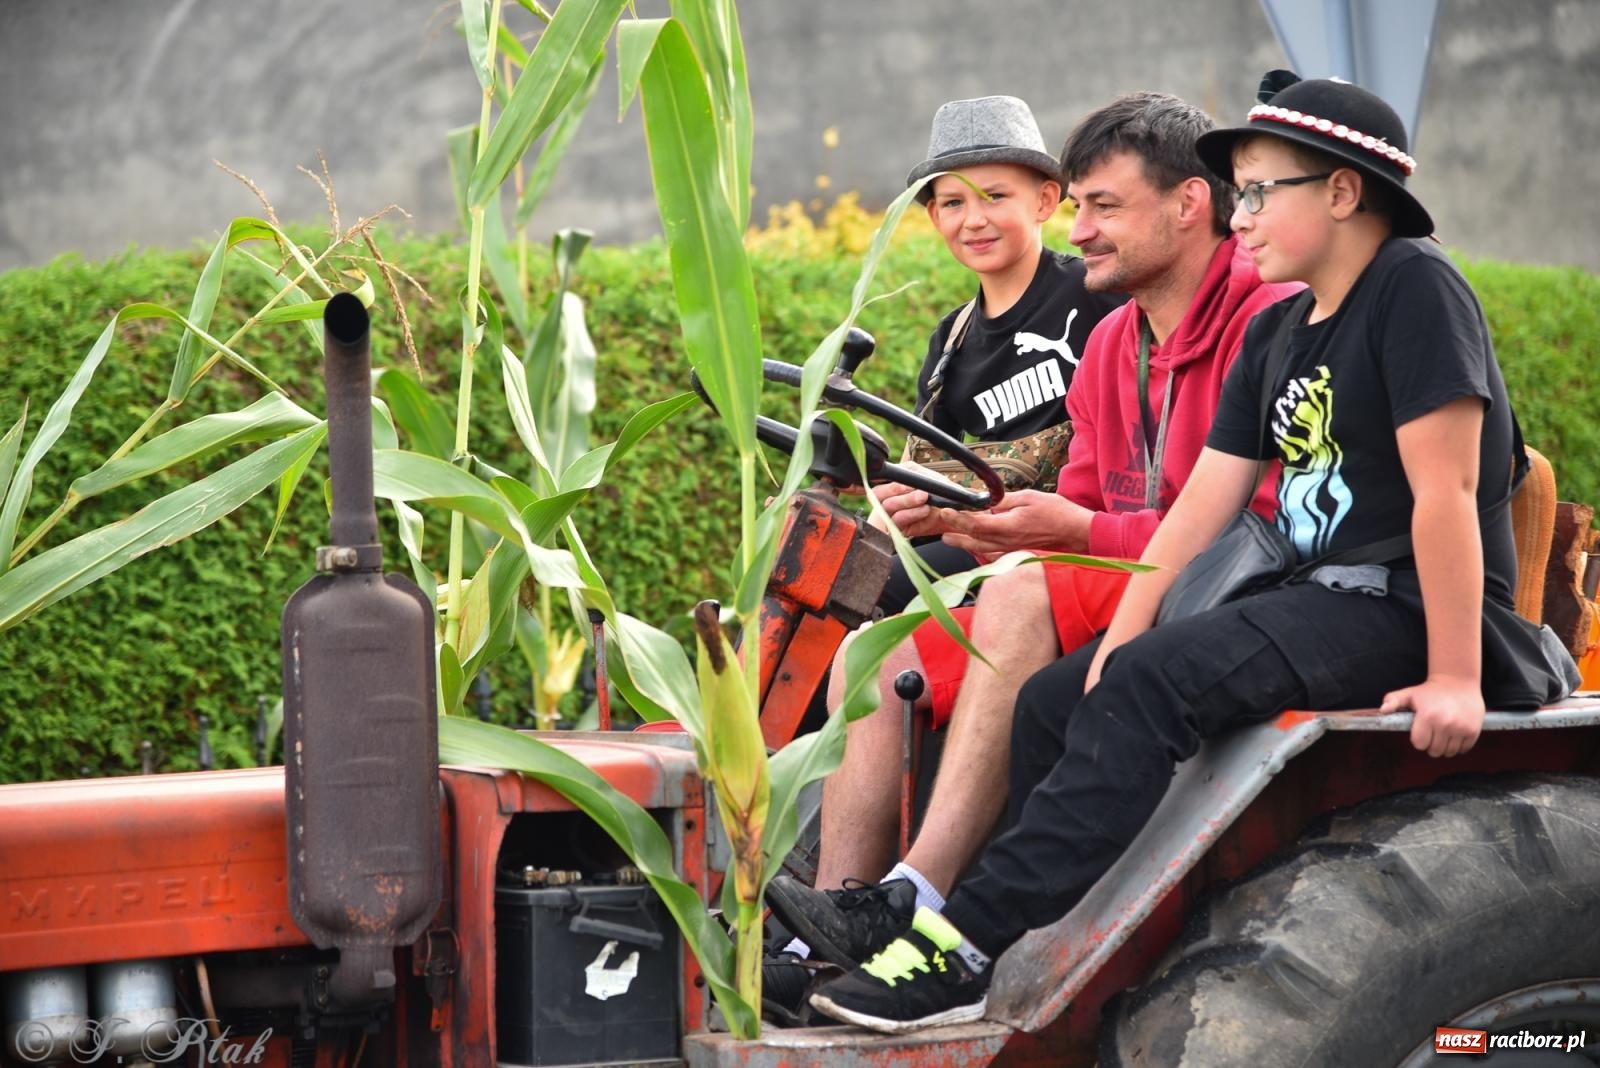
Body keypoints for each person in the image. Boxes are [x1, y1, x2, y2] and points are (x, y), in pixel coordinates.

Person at [805, 70, 1577, 1034]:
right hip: (1314, 595)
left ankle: (958, 942)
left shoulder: (1415, 288)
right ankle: (1032, 959)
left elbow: (1448, 493)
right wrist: (1120, 638)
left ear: (1342, 193)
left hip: (1404, 604)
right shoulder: (1286, 328)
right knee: (1057, 697)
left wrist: (1457, 676)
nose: (1238, 215)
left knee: (1153, 685)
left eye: (1259, 192)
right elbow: (1200, 509)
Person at [763, 90, 1296, 1006]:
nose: (1080, 231)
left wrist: (1050, 532)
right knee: (873, 649)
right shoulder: (1106, 341)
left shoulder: (1268, 322)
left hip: (1221, 590)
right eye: (950, 199)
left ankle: (916, 899)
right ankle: (834, 925)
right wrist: (1000, 524)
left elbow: (1264, 522)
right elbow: (1078, 507)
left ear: (1189, 204)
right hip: (1114, 572)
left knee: (1014, 592)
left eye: (1099, 207)